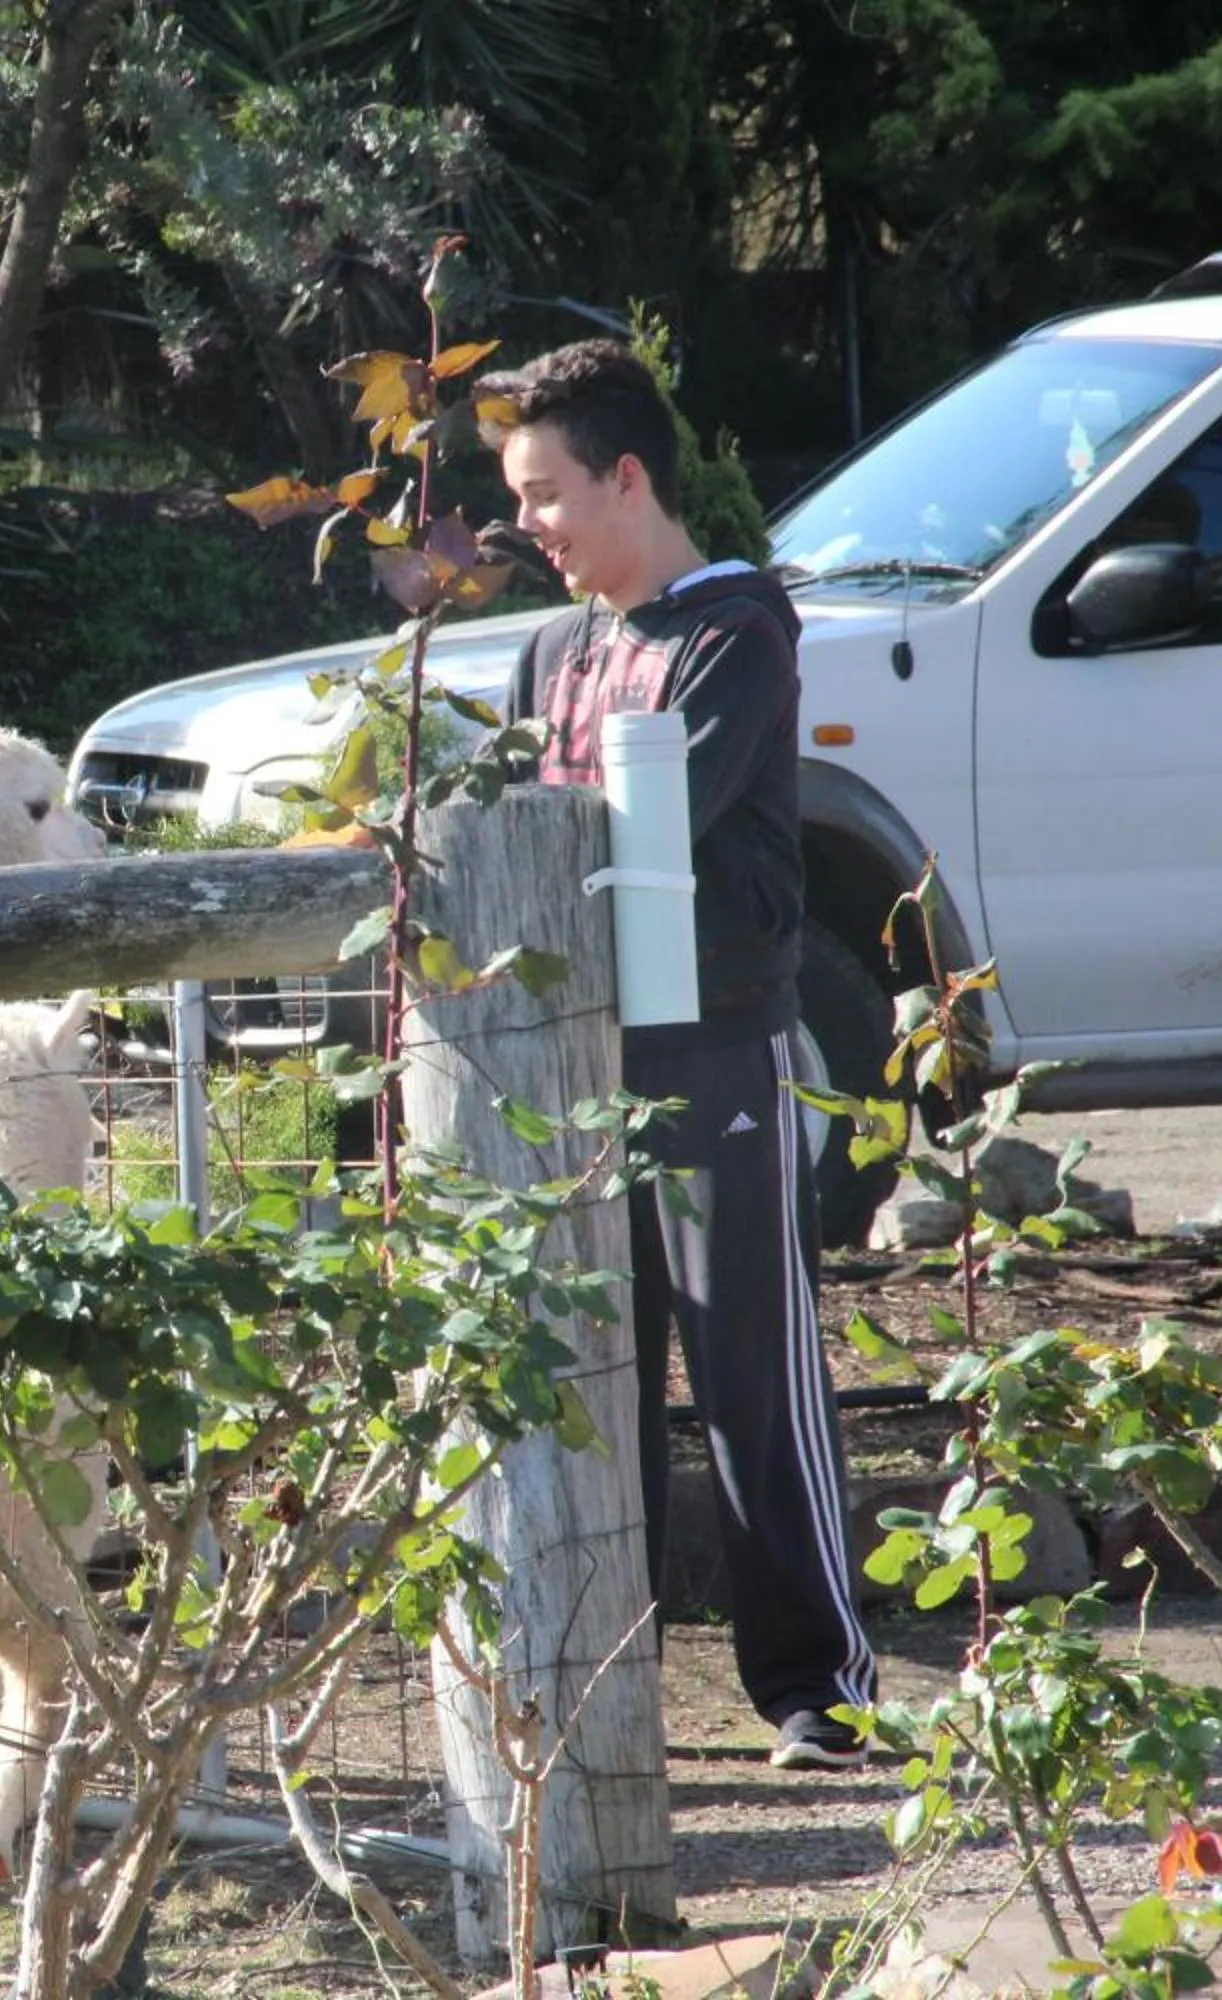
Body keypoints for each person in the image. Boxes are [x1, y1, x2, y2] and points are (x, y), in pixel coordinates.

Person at [489, 338, 880, 1771]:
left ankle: (815, 1690)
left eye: (544, 494)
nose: (526, 524)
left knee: (745, 1372)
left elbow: (628, 832)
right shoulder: (555, 649)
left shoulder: (735, 633)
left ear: (629, 476)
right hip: (574, 1061)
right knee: (596, 1374)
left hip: (714, 1055)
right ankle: (606, 1690)